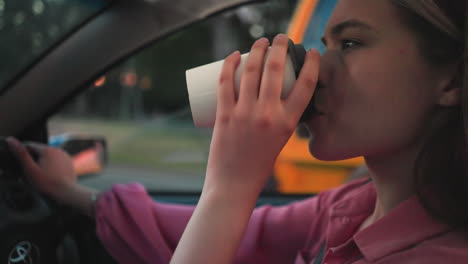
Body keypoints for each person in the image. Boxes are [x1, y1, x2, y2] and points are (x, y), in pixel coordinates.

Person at [7, 0, 468, 263]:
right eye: (322, 45)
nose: (317, 69)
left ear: (451, 80)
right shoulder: (354, 205)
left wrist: (229, 185)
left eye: (350, 43)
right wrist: (74, 195)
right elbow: (247, 237)